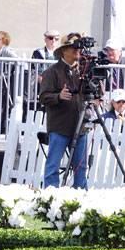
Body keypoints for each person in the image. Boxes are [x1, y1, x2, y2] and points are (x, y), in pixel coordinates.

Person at [39, 40, 87, 188]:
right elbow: (43, 97)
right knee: (53, 166)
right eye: (73, 48)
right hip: (60, 127)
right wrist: (58, 96)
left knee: (81, 167)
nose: (77, 51)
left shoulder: (84, 72)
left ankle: (80, 198)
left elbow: (95, 94)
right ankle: (50, 199)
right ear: (63, 51)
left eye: (78, 48)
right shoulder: (51, 72)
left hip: (80, 127)